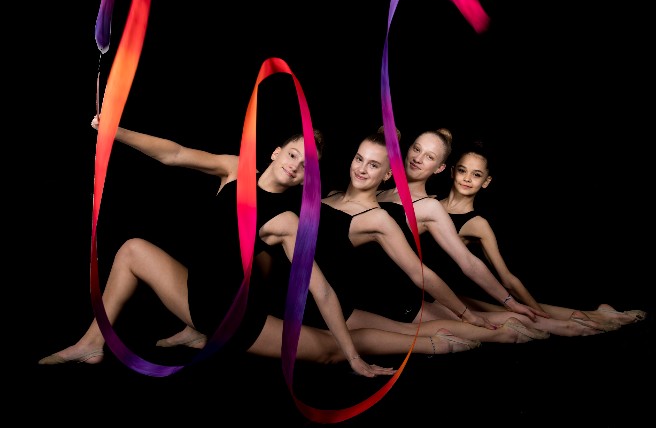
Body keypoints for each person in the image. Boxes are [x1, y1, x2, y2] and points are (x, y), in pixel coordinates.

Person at [37, 114, 396, 377]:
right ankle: (92, 343)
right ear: (276, 152)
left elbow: (321, 291)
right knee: (132, 249)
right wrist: (115, 131)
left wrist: (353, 358)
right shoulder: (236, 169)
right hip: (197, 291)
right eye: (292, 155)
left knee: (330, 350)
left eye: (305, 166)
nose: (295, 166)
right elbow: (174, 154)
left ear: (307, 179)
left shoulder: (288, 221)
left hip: (227, 316)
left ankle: (422, 341)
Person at [267, 126, 552, 346]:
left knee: (451, 326)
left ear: (440, 168)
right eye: (416, 149)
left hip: (383, 292)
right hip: (343, 288)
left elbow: (455, 264)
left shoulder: (408, 209)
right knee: (422, 331)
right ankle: (522, 323)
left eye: (430, 157)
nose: (418, 158)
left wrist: (494, 305)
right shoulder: (353, 194)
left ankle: (536, 325)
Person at [377, 128, 644, 336]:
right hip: (439, 290)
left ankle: (595, 318)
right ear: (451, 172)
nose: (467, 179)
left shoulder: (472, 222)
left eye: (476, 175)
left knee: (528, 315)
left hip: (451, 289)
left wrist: (533, 310)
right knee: (512, 315)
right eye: (463, 171)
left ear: (486, 181)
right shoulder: (431, 203)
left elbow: (501, 275)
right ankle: (598, 315)